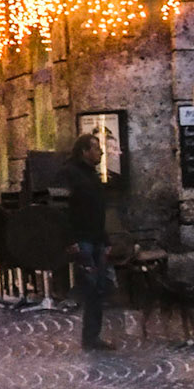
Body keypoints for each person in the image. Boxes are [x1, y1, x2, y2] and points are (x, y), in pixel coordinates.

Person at [63, 132, 112, 351]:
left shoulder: (92, 175)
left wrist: (105, 238)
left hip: (95, 239)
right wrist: (69, 240)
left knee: (99, 288)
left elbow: (98, 210)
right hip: (82, 239)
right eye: (96, 148)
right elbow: (62, 211)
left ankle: (93, 336)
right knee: (91, 286)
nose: (100, 152)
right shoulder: (69, 174)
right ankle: (89, 337)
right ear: (84, 151)